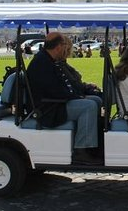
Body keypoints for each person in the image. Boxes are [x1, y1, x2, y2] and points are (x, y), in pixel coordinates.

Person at [26, 32, 103, 164]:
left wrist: (78, 94)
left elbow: (62, 86)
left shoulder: (48, 60)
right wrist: (77, 96)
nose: (65, 48)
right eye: (63, 44)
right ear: (57, 47)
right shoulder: (42, 63)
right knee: (89, 106)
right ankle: (81, 150)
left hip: (55, 102)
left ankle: (95, 144)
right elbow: (55, 90)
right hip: (48, 108)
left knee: (96, 100)